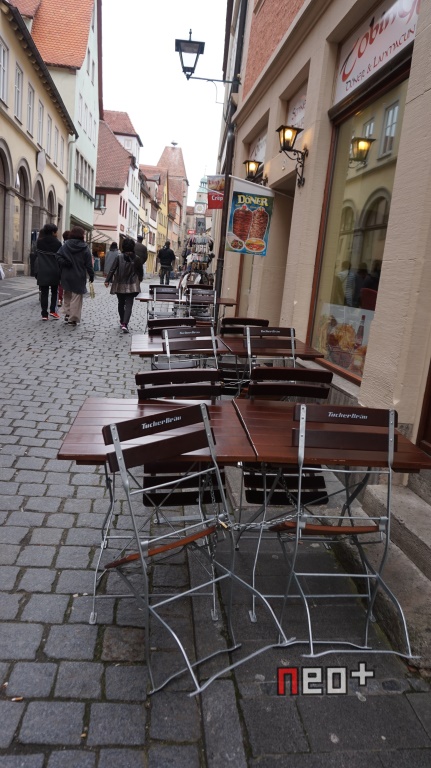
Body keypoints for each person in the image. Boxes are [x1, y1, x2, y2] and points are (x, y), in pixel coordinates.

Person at [56, 226, 94, 326]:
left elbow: (58, 256)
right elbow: (89, 264)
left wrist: (64, 262)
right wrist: (91, 275)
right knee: (76, 297)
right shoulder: (85, 247)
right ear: (81, 235)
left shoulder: (66, 245)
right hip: (79, 275)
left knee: (67, 294)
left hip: (66, 274)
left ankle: (68, 313)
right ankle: (73, 318)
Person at [104, 237, 143, 333]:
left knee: (121, 303)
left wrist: (107, 280)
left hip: (120, 283)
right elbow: (140, 271)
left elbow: (112, 269)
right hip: (132, 284)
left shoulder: (119, 257)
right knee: (129, 304)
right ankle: (125, 324)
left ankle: (122, 320)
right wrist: (139, 279)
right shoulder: (137, 258)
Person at [35, 223, 62, 320]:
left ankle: (44, 314)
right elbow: (60, 258)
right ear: (53, 232)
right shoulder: (58, 243)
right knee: (54, 291)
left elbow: (36, 256)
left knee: (44, 293)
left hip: (42, 270)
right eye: (56, 231)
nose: (57, 233)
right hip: (54, 270)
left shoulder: (39, 242)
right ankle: (53, 311)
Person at [57, 230, 71, 307]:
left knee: (61, 285)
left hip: (62, 267)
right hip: (70, 268)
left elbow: (58, 256)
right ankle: (68, 301)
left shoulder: (62, 246)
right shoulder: (71, 245)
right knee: (69, 286)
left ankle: (60, 300)